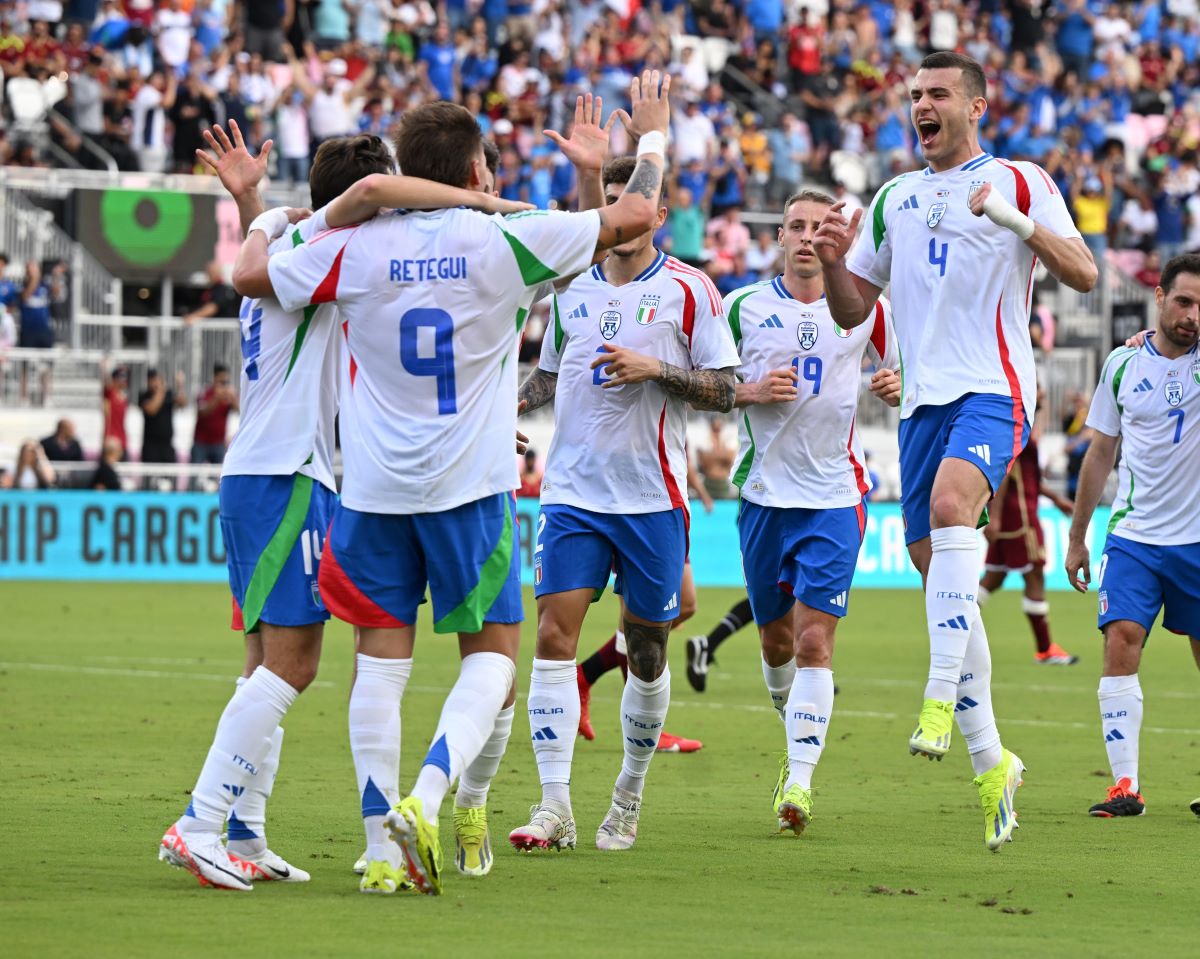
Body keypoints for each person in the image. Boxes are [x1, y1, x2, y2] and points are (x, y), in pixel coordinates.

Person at [231, 76, 670, 894]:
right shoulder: (500, 243)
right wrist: (649, 141)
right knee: (497, 659)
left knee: (378, 665)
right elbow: (634, 219)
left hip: (370, 490)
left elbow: (254, 275)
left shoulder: (357, 245)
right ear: (474, 171)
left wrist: (275, 205)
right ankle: (427, 795)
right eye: (491, 170)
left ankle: (378, 848)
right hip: (470, 486)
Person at [160, 120, 527, 895]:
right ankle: (198, 821)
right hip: (286, 475)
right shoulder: (323, 254)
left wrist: (256, 200)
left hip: (268, 473)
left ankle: (246, 829)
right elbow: (348, 216)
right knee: (294, 663)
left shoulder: (301, 255)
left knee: (265, 661)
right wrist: (477, 204)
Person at [815, 52, 1097, 850]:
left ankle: (937, 694)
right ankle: (991, 761)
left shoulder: (1021, 178)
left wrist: (1017, 223)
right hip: (922, 404)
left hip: (995, 388)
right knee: (941, 571)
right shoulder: (894, 197)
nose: (922, 106)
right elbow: (850, 313)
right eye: (915, 96)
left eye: (938, 94)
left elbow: (1082, 271)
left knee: (950, 511)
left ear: (978, 104)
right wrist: (836, 263)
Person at [509, 129, 739, 851]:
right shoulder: (571, 284)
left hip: (652, 497)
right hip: (573, 493)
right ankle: (554, 806)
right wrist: (492, 408)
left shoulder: (692, 290)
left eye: (629, 204)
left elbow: (726, 391)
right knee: (551, 635)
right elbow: (549, 376)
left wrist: (656, 369)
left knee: (646, 651)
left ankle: (628, 794)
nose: (617, 217)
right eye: (608, 205)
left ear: (657, 214)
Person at [724, 189, 901, 834]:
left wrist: (895, 382)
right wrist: (748, 390)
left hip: (834, 496)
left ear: (839, 237)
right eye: (794, 226)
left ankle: (798, 784)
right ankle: (795, 735)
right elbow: (701, 385)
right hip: (763, 497)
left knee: (812, 641)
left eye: (817, 227)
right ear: (777, 236)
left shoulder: (863, 307)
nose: (805, 237)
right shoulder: (741, 307)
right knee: (775, 643)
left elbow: (903, 369)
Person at [1065, 253, 1200, 819]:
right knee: (1120, 642)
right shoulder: (1122, 366)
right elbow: (1101, 452)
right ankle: (1126, 786)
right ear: (1160, 297)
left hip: (1196, 540)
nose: (1193, 315)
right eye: (1185, 301)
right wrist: (1077, 538)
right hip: (1134, 536)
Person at [978, 398, 1078, 665]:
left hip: (1016, 515)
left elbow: (1030, 478)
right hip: (1020, 519)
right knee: (1034, 576)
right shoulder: (1018, 431)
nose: (1043, 396)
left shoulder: (1022, 431)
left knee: (993, 578)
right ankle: (1045, 649)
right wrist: (995, 519)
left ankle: (955, 626)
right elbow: (1005, 475)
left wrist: (1055, 499)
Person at [191, 363, 238, 467]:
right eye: (221, 381)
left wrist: (233, 398)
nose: (224, 384)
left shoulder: (228, 395)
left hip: (219, 443)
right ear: (214, 378)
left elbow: (238, 410)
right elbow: (201, 412)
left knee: (218, 477)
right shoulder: (205, 391)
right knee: (194, 476)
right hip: (201, 442)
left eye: (226, 382)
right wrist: (216, 398)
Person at [138, 369, 186, 468]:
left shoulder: (168, 394)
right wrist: (161, 391)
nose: (156, 383)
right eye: (154, 380)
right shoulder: (144, 395)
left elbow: (182, 403)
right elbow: (152, 409)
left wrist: (180, 386)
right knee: (150, 477)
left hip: (167, 444)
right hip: (150, 446)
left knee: (171, 477)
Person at [100, 360, 129, 461]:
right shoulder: (110, 394)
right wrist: (105, 369)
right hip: (111, 440)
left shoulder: (124, 398)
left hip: (122, 441)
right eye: (120, 378)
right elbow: (106, 384)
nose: (123, 381)